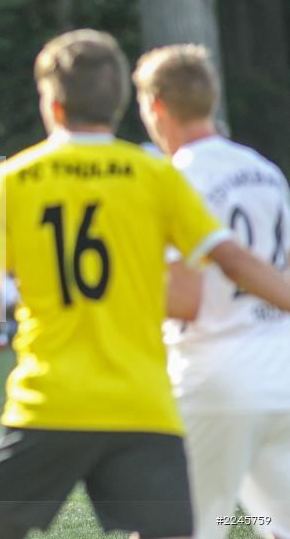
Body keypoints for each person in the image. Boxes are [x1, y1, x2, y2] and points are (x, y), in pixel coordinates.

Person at [0, 29, 290, 539]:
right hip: (143, 403)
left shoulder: (12, 179)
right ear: (119, 103)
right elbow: (237, 262)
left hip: (49, 398)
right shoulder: (155, 176)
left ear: (51, 103)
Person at [133, 44, 290, 539]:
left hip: (216, 376)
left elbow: (183, 297)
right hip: (281, 369)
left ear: (155, 105)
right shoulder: (265, 171)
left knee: (174, 530)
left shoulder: (176, 177)